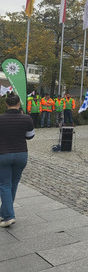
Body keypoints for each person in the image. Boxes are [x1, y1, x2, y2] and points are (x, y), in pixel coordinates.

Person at [0, 92, 34, 227]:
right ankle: (4, 212)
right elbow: (30, 136)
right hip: (21, 154)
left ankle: (8, 216)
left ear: (6, 104)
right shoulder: (27, 118)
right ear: (19, 104)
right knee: (13, 184)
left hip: (3, 154)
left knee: (4, 184)